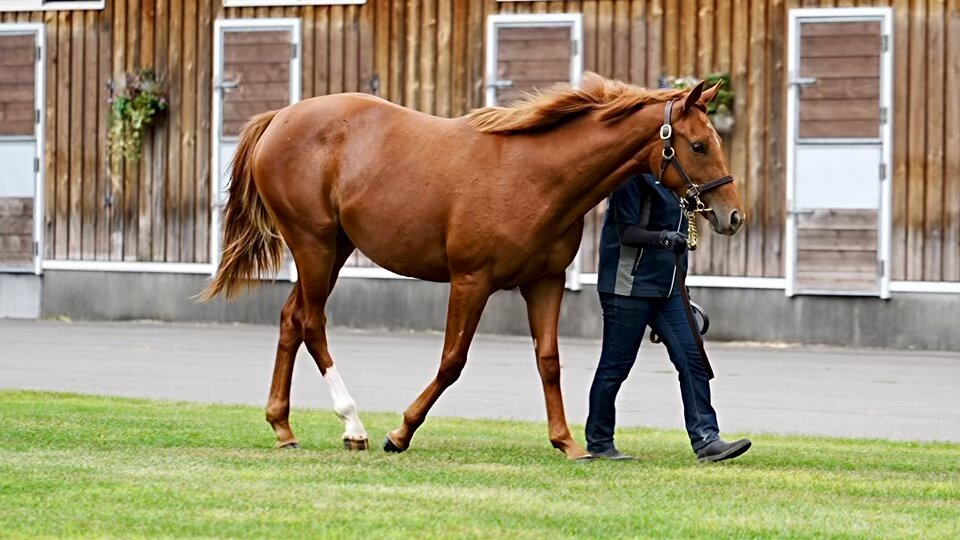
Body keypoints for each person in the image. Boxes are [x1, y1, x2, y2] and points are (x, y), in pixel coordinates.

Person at [585, 172, 751, 462]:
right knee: (616, 366)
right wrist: (663, 239)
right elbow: (625, 231)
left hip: (669, 289)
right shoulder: (632, 179)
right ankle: (599, 442)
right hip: (628, 287)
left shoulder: (679, 184)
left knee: (693, 359)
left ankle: (707, 441)